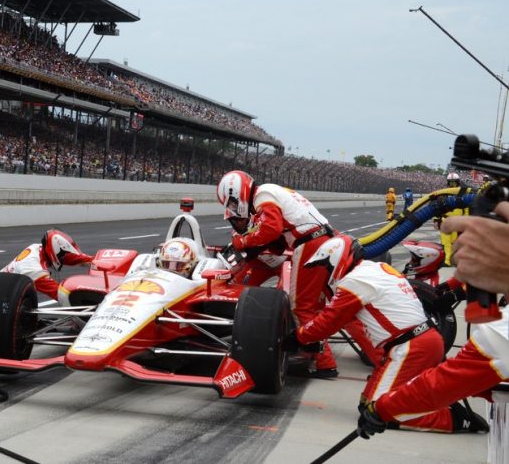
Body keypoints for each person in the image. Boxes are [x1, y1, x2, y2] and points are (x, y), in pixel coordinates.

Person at [289, 235, 482, 432]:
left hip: (411, 347)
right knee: (366, 405)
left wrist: (297, 337)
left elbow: (329, 320)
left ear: (338, 261)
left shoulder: (355, 281)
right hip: (419, 341)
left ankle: (453, 419)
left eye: (326, 267)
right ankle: (439, 407)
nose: (325, 272)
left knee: (380, 413)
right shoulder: (377, 269)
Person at [357, 201, 509, 439]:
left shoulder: (502, 334)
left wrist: (383, 410)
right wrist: (449, 290)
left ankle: (456, 420)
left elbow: (443, 383)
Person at [216, 170, 378, 377]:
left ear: (236, 193)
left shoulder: (262, 196)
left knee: (301, 306)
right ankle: (380, 356)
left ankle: (322, 362)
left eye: (230, 204)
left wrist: (242, 241)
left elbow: (270, 230)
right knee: (341, 306)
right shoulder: (273, 192)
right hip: (329, 240)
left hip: (311, 243)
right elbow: (278, 237)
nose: (232, 210)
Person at [1, 229, 93, 304]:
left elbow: (67, 257)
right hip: (2, 297)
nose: (65, 256)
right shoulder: (33, 269)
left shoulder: (38, 248)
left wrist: (96, 260)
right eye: (64, 254)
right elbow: (59, 294)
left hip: (7, 288)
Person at [434, 172, 467, 265]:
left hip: (458, 222)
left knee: (456, 242)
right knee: (446, 242)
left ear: (458, 182)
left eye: (454, 182)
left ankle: (455, 260)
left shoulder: (463, 193)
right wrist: (436, 220)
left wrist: (467, 220)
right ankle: (447, 261)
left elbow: (467, 208)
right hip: (446, 220)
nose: (452, 184)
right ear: (448, 183)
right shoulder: (443, 194)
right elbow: (436, 207)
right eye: (450, 182)